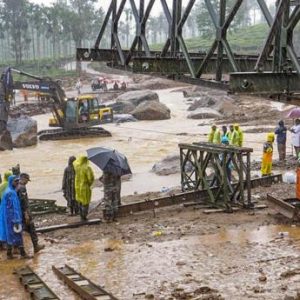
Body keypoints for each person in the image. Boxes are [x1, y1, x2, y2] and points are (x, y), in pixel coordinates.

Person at [0, 175, 29, 259]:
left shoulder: (9, 191)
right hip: (13, 219)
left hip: (9, 219)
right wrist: (17, 219)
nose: (17, 183)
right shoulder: (11, 193)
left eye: (17, 181)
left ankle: (9, 254)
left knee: (10, 236)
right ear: (11, 182)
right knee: (18, 235)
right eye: (15, 181)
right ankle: (23, 254)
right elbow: (13, 208)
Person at [17, 173, 45, 253]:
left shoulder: (17, 186)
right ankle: (35, 246)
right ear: (24, 179)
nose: (27, 182)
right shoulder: (22, 188)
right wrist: (26, 213)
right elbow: (23, 201)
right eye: (27, 180)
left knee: (22, 229)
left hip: (19, 212)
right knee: (31, 227)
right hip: (24, 212)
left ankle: (18, 248)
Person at [73, 156, 94, 221]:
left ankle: (81, 215)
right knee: (85, 202)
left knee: (79, 201)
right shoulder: (87, 168)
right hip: (85, 187)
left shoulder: (76, 166)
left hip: (77, 187)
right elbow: (90, 178)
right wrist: (89, 184)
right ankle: (84, 216)